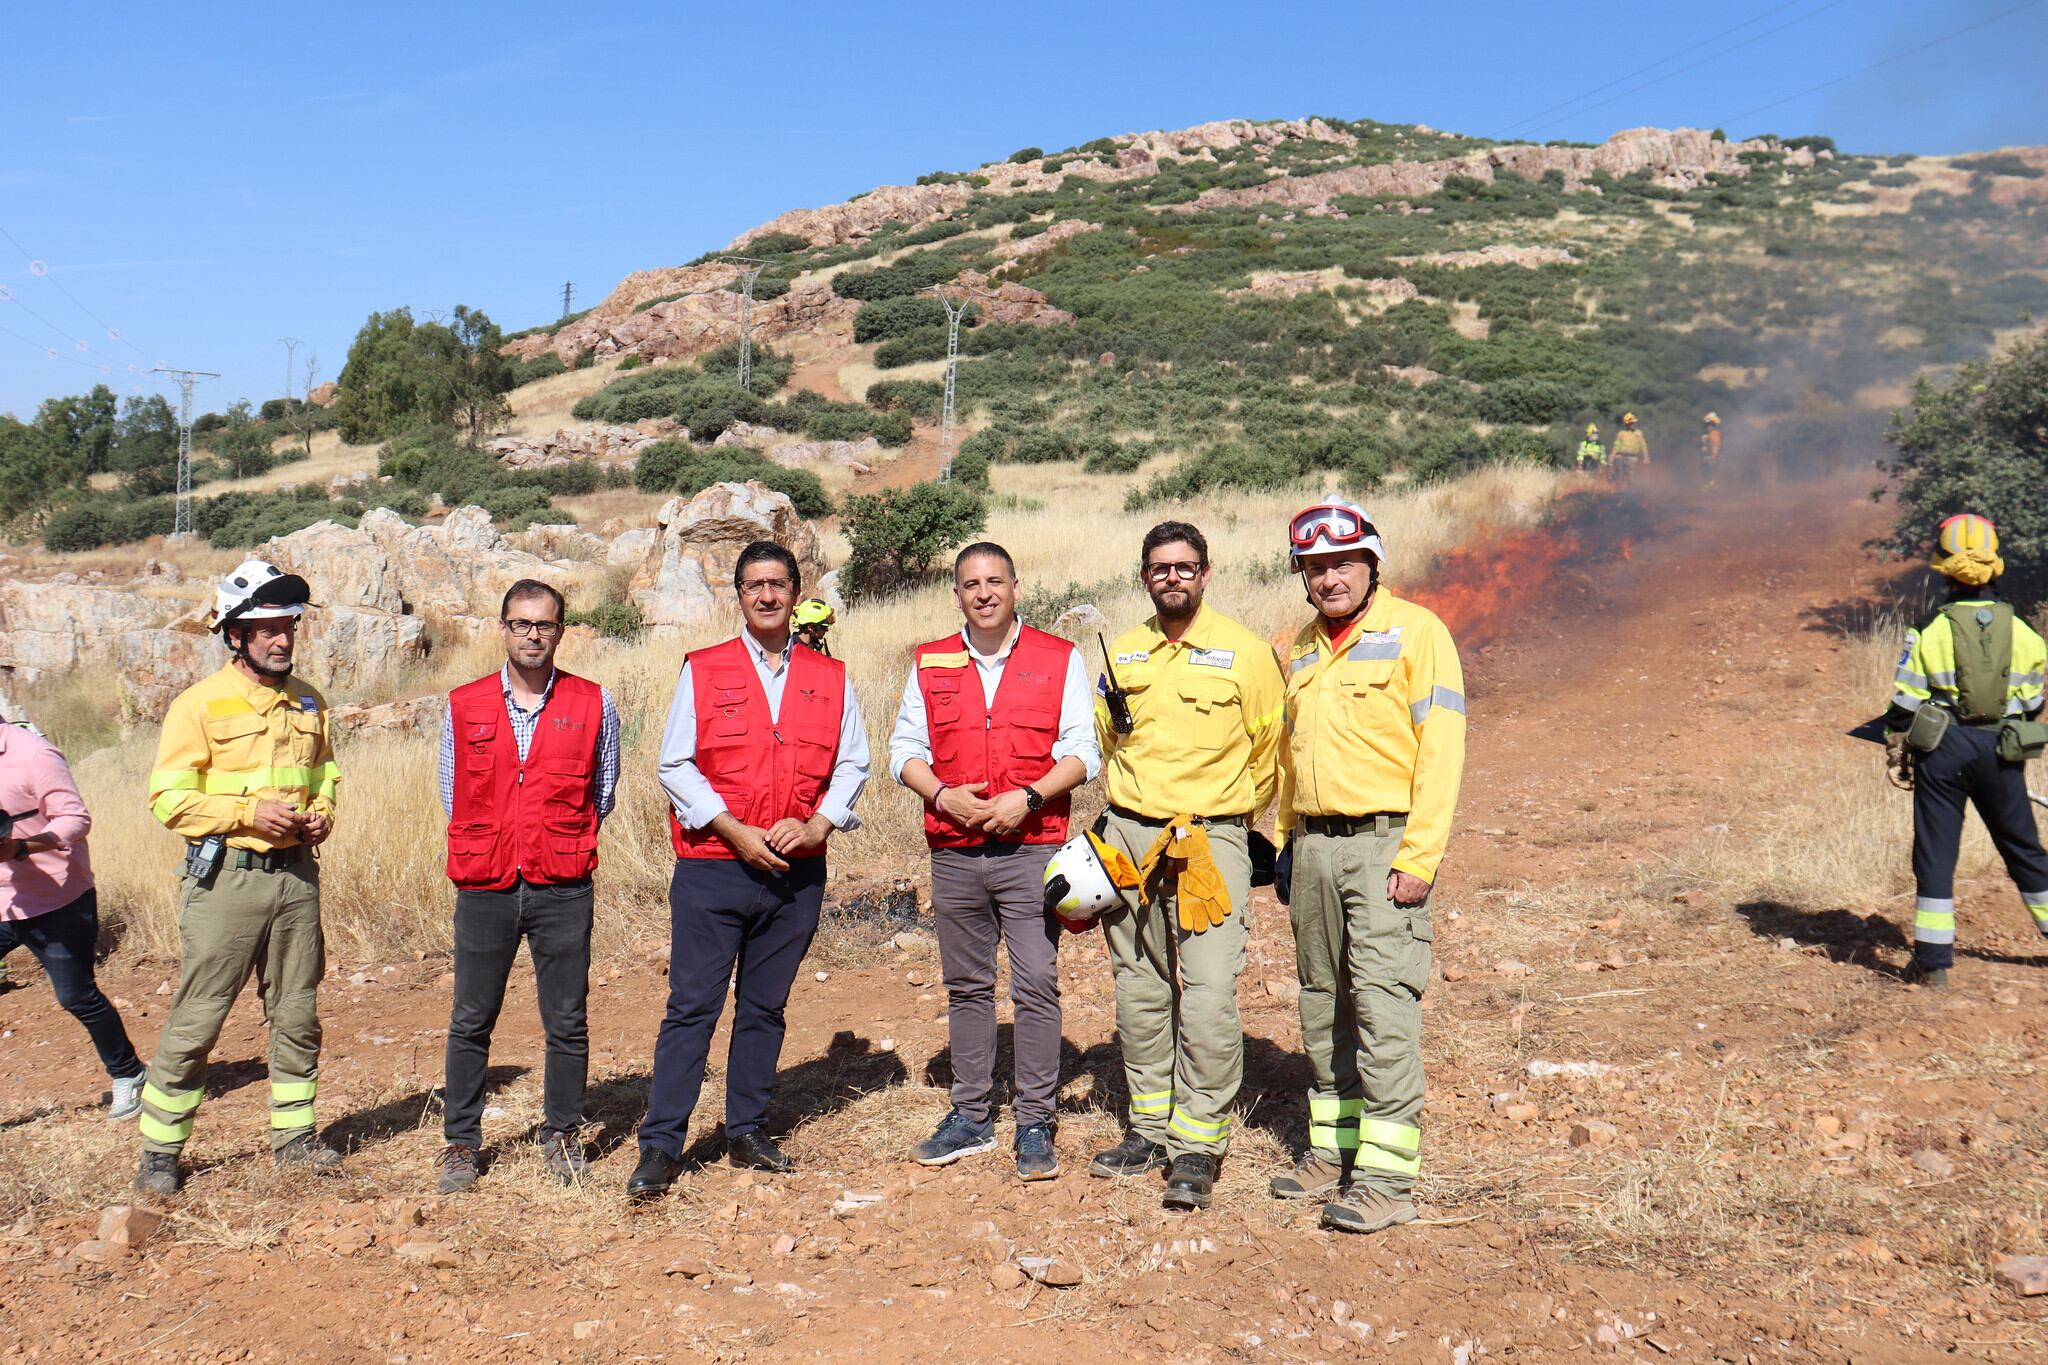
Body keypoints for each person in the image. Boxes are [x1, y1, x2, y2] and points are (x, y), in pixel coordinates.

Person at [629, 541, 870, 1197]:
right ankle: (660, 1146)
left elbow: (854, 762)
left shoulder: (831, 675)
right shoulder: (704, 669)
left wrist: (820, 823)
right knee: (692, 1008)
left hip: (796, 874)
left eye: (778, 583)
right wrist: (733, 830)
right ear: (738, 595)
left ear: (796, 592)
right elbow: (674, 763)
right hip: (714, 868)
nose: (766, 595)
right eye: (753, 584)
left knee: (765, 1007)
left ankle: (746, 1129)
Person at [1271, 499, 1465, 1236]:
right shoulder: (1302, 647)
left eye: (1342, 563)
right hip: (1315, 847)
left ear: (1371, 563)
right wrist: (1288, 838)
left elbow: (1442, 752)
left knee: (1382, 1003)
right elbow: (1293, 755)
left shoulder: (1417, 631)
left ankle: (1387, 1178)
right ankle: (1335, 1149)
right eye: (1315, 567)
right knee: (1322, 1001)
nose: (1329, 578)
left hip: (1386, 844)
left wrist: (1420, 857)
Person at [1088, 521, 1285, 1211]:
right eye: (1160, 567)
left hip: (1210, 839)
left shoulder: (1246, 652)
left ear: (1206, 572)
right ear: (1144, 575)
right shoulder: (1124, 652)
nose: (1172, 576)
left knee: (1205, 992)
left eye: (1185, 565)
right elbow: (1109, 738)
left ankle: (1197, 1142)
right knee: (1138, 986)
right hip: (1128, 838)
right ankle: (1147, 1128)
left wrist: (1229, 819)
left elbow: (1269, 751)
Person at [891, 542, 1099, 1181]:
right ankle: (971, 1116)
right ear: (957, 593)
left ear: (1015, 587)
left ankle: (1035, 1120)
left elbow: (1083, 752)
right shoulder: (930, 661)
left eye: (994, 581)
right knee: (968, 985)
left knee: (1036, 983)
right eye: (970, 583)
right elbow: (906, 748)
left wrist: (1027, 798)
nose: (983, 593)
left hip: (1032, 848)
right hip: (956, 852)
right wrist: (942, 794)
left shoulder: (1057, 657)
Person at [136, 560, 342, 1195]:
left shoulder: (311, 699)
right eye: (266, 629)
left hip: (295, 880)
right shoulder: (196, 705)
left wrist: (322, 814)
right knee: (199, 1016)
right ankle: (161, 1153)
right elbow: (168, 799)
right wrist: (248, 813)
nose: (282, 639)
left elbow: (325, 774)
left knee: (297, 1011)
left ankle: (295, 1138)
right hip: (227, 880)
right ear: (234, 635)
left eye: (289, 626)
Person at [434, 579, 621, 1194]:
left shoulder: (595, 703)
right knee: (470, 1018)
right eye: (521, 624)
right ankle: (461, 1145)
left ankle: (562, 1133)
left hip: (561, 883)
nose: (533, 635)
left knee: (567, 1019)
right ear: (504, 628)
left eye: (544, 625)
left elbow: (604, 794)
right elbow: (451, 793)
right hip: (485, 882)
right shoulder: (463, 704)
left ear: (561, 631)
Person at [1885, 513, 2048, 987]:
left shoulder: (1929, 628)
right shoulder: (2024, 631)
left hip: (1944, 749)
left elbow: (1903, 704)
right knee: (2024, 849)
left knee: (1936, 854)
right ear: (1995, 566)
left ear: (1943, 568)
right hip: (2001, 748)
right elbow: (2034, 702)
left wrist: (1895, 742)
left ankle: (1933, 966)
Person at [0, 715, 147, 1118]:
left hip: (57, 899)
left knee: (76, 995)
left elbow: (75, 819)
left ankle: (129, 1073)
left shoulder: (33, 754)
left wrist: (22, 847)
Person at [1609, 413, 1649, 482]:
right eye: (1632, 423)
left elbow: (1643, 446)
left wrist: (1646, 457)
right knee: (1619, 472)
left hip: (1632, 458)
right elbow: (1616, 447)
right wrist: (1611, 458)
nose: (1634, 424)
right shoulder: (1621, 434)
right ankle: (1615, 486)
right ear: (1627, 424)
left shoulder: (1639, 433)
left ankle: (1631, 490)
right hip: (1620, 457)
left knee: (1631, 475)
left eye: (1635, 423)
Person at [1698, 412, 1722, 488]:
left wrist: (1713, 456)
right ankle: (1710, 485)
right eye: (1706, 425)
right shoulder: (1709, 434)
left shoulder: (1714, 433)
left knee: (1710, 470)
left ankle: (1712, 485)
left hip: (1712, 456)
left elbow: (1715, 446)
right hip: (1709, 456)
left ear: (1712, 426)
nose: (1706, 427)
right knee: (1705, 469)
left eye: (1708, 425)